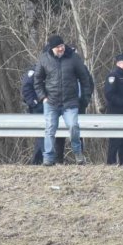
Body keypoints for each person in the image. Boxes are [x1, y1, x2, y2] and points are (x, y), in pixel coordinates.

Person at [33, 34, 94, 166]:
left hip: (70, 102)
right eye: (58, 47)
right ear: (52, 48)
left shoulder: (74, 58)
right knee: (50, 129)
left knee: (73, 127)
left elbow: (85, 79)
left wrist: (85, 98)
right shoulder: (44, 59)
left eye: (62, 46)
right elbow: (37, 80)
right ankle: (48, 158)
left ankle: (78, 153)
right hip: (51, 102)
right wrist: (42, 97)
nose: (61, 49)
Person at [21, 65, 65, 164]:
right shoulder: (35, 70)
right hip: (39, 108)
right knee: (42, 135)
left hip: (55, 107)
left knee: (58, 134)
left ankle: (41, 161)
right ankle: (48, 160)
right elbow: (26, 89)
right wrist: (35, 103)